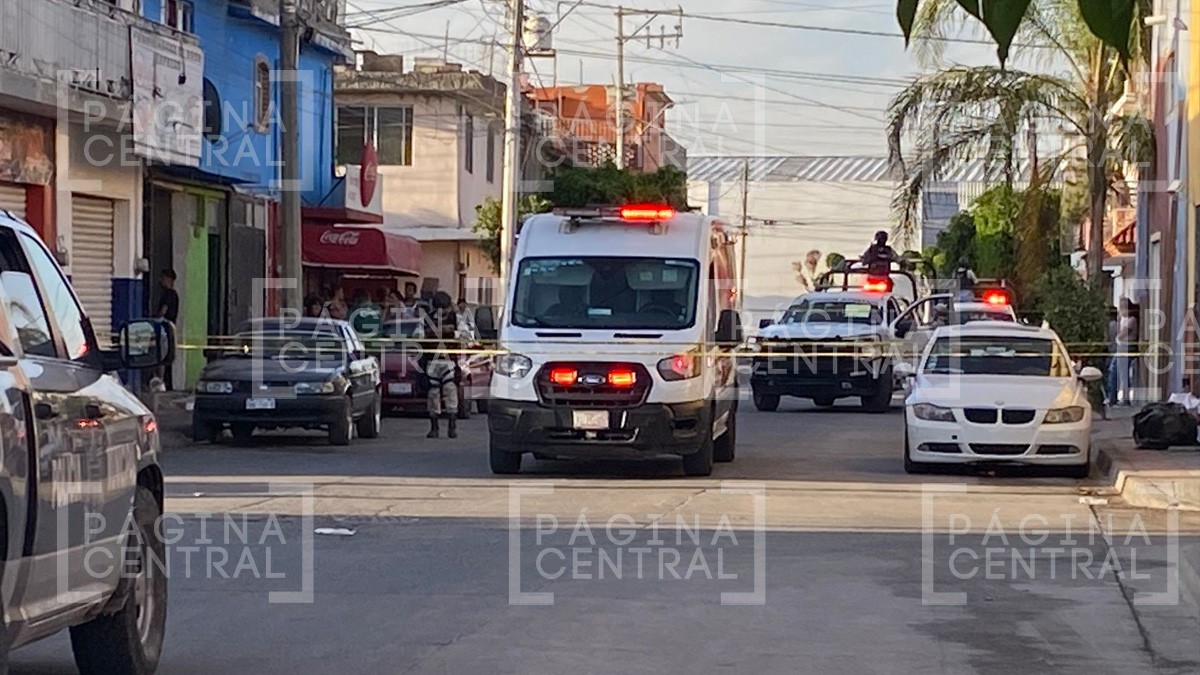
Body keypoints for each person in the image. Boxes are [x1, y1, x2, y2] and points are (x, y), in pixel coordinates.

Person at [417, 292, 460, 438]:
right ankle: (434, 427)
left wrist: (453, 332)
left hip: (449, 360)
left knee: (450, 391)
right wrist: (434, 332)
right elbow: (418, 335)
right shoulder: (427, 319)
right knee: (433, 393)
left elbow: (467, 335)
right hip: (432, 360)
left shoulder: (456, 318)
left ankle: (452, 426)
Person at [153, 269, 180, 391]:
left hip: (163, 329)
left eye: (163, 278)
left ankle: (161, 382)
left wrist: (155, 320)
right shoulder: (174, 295)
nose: (160, 280)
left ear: (169, 279)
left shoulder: (168, 295)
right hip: (170, 329)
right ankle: (165, 383)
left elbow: (163, 311)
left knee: (161, 356)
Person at [1114, 298, 1138, 406]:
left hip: (1126, 347)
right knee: (1119, 373)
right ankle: (1121, 396)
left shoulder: (1131, 320)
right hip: (1121, 348)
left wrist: (1118, 338)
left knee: (1125, 373)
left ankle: (1126, 397)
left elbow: (1123, 333)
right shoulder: (1121, 319)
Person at [1104, 306, 1120, 406]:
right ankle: (1111, 397)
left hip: (1112, 352)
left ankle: (1110, 397)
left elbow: (1107, 339)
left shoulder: (1111, 326)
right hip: (1114, 352)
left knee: (1110, 376)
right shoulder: (1117, 325)